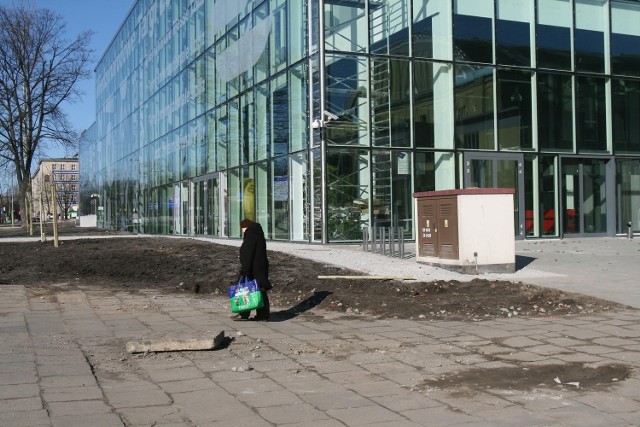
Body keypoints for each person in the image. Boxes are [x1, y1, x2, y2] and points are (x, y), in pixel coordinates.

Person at [235, 218, 272, 321]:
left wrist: (244, 270)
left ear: (245, 227)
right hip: (260, 267)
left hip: (252, 268)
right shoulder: (258, 234)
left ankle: (243, 314)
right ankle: (263, 315)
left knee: (244, 290)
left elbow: (248, 254)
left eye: (242, 228)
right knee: (260, 290)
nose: (242, 230)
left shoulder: (250, 236)